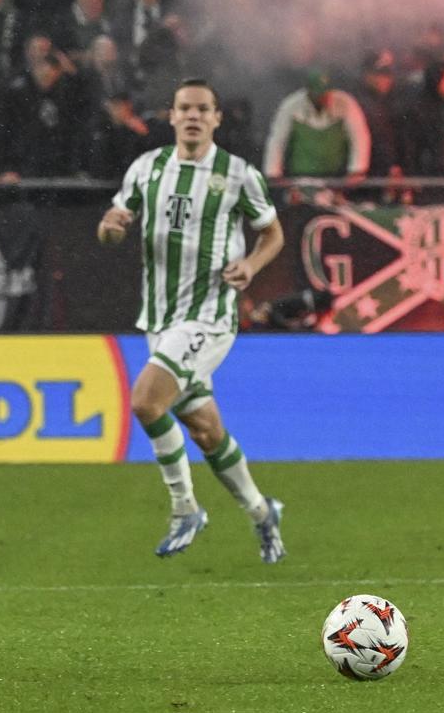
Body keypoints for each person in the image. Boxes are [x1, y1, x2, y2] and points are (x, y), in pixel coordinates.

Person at [95, 78, 287, 562]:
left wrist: (251, 266)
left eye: (204, 108)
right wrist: (109, 229)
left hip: (210, 317)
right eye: (185, 108)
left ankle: (185, 508)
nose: (194, 116)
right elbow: (112, 230)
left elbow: (273, 234)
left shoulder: (237, 174)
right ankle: (264, 513)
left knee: (145, 402)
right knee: (206, 432)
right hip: (160, 319)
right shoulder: (147, 168)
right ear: (172, 116)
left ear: (217, 118)